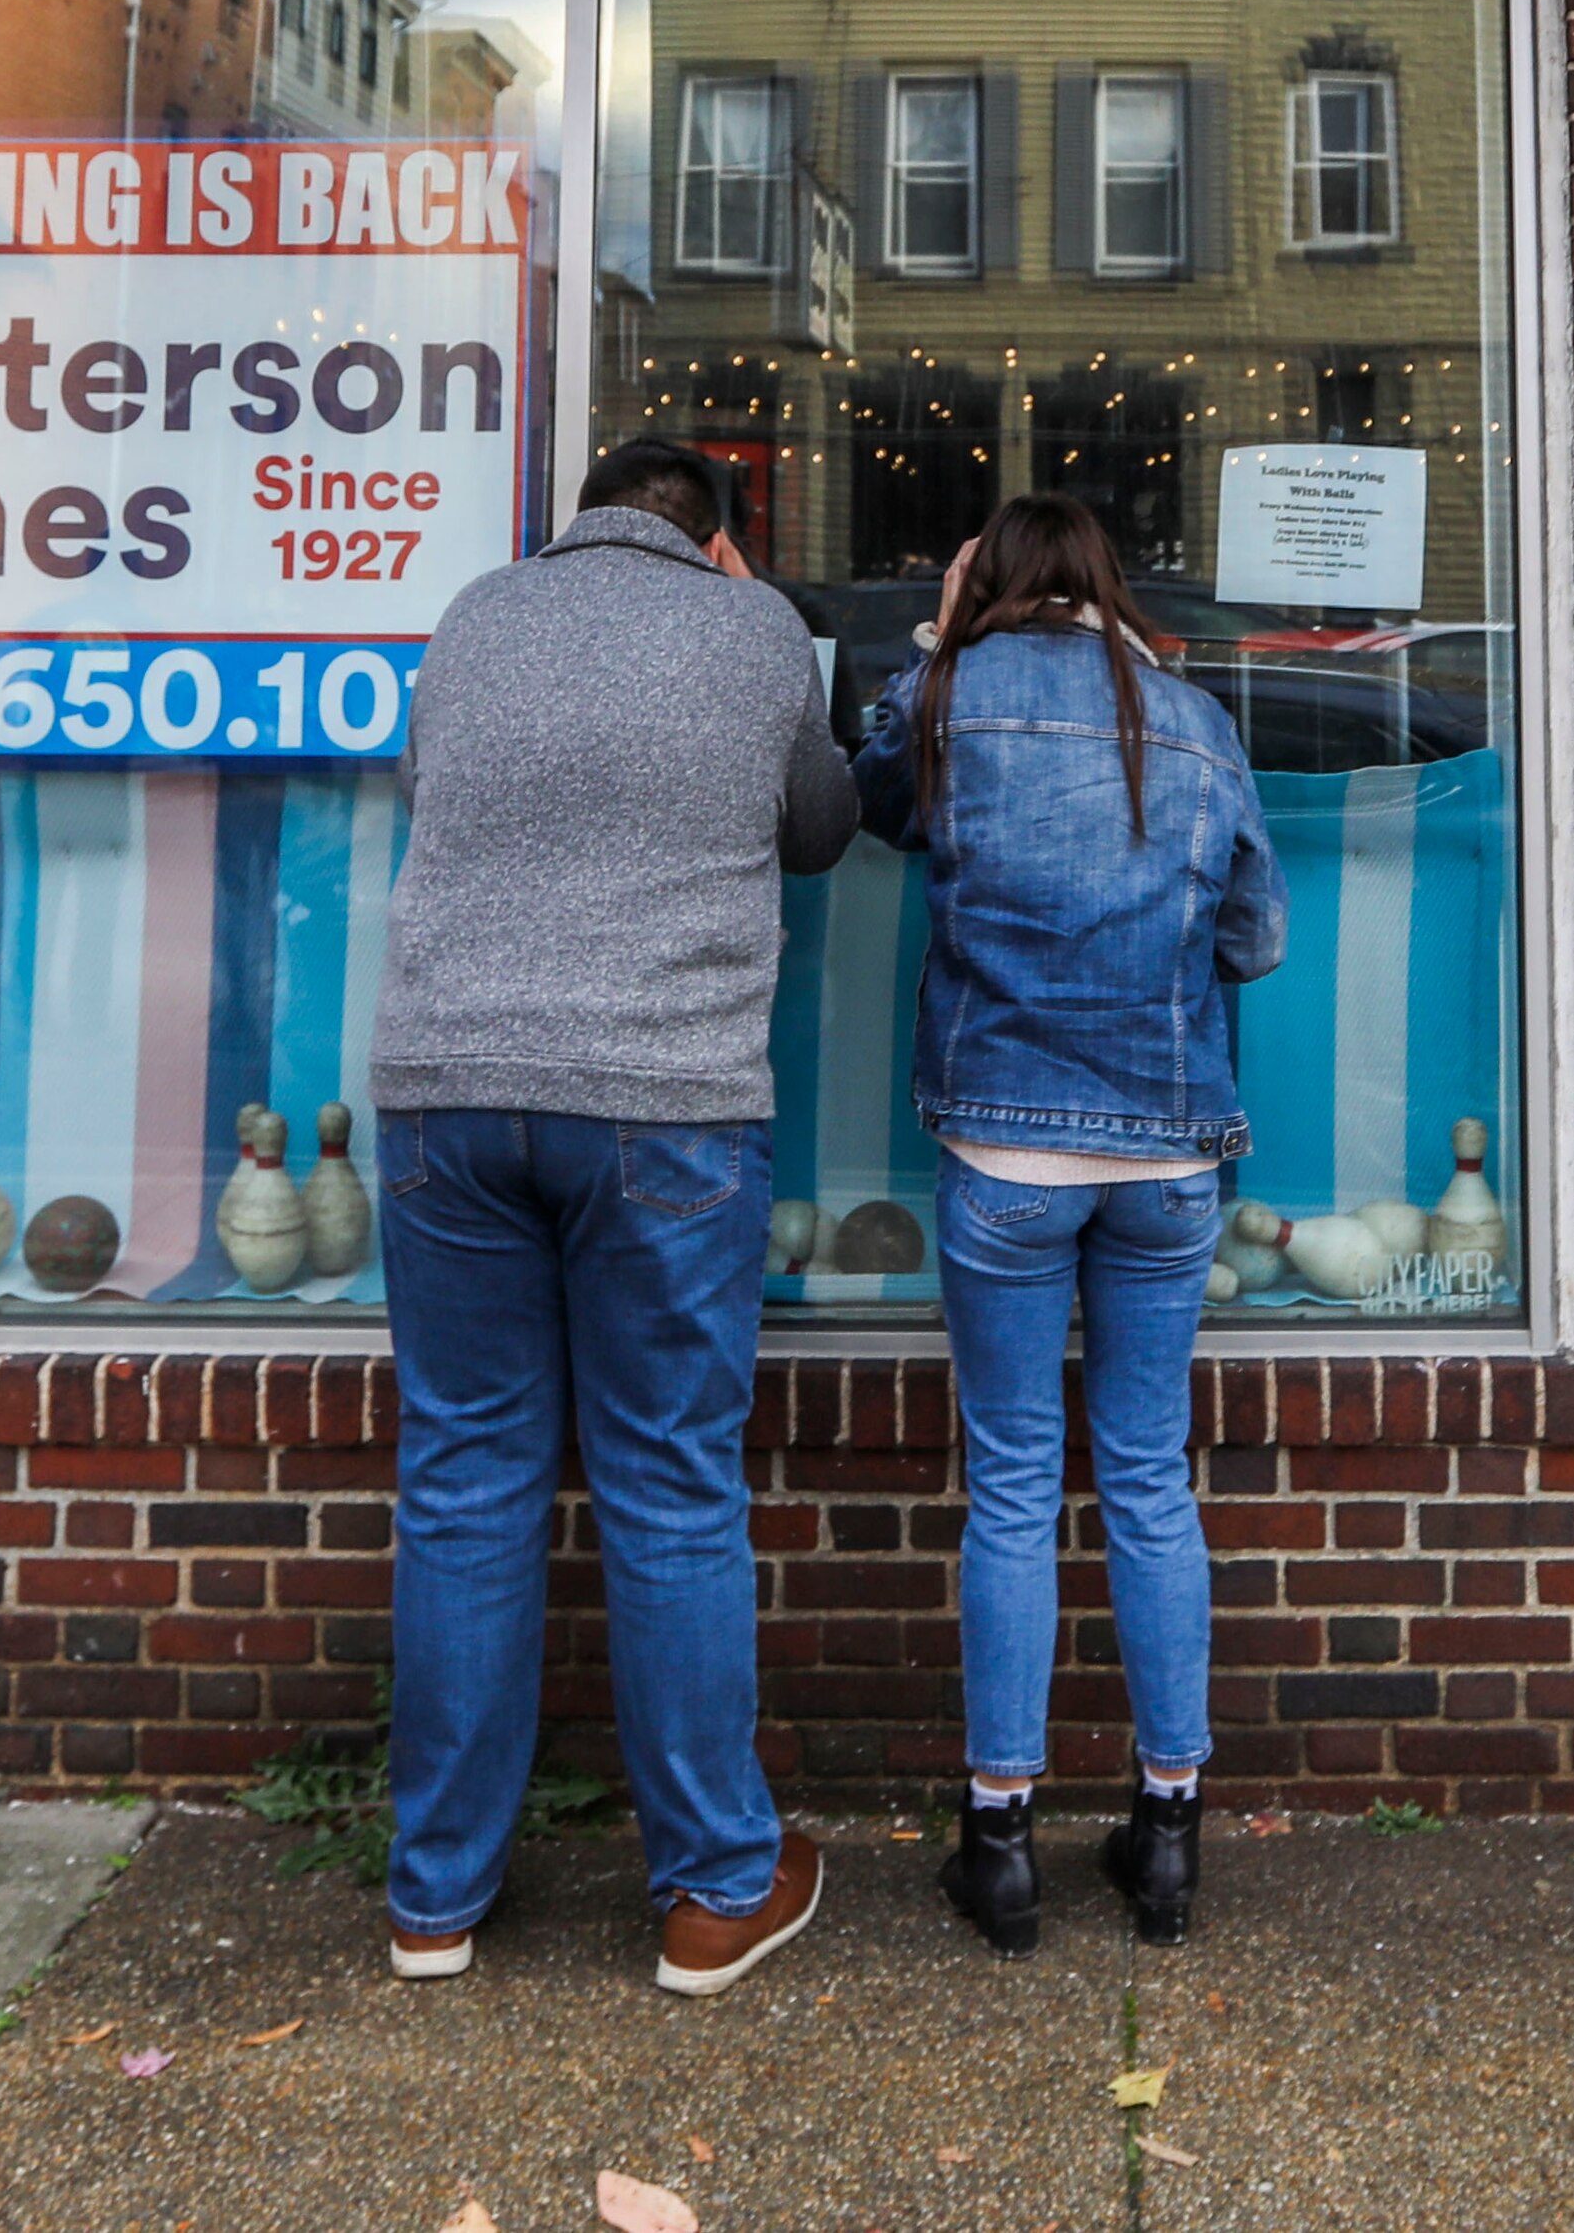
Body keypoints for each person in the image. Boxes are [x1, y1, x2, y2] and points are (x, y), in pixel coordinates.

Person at [362, 437, 859, 1993]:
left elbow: (425, 793)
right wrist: (760, 629)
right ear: (714, 540)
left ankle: (432, 1899)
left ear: (573, 522)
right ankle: (714, 1887)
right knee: (668, 1491)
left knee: (462, 1479)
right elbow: (823, 825)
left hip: (448, 1093)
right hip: (662, 1102)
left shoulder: (474, 614)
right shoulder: (753, 627)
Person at [853, 495, 1285, 1954]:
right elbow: (1258, 938)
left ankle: (1003, 1844)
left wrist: (938, 628)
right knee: (1152, 1477)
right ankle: (1167, 1842)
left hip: (1006, 1151)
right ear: (1110, 584)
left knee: (1018, 1485)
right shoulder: (1192, 719)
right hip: (1167, 1153)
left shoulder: (953, 692)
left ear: (990, 578)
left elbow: (871, 804)